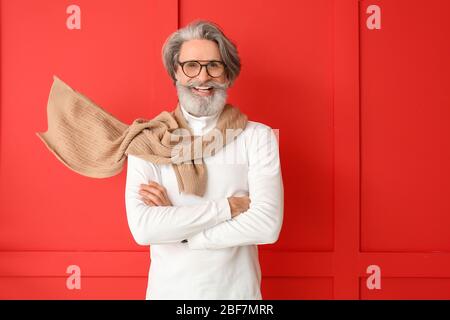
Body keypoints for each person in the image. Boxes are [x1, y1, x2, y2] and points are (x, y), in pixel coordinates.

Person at [124, 19, 284, 300]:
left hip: (238, 297)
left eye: (214, 65)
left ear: (227, 74)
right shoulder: (149, 140)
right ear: (176, 72)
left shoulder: (258, 137)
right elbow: (144, 229)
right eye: (191, 66)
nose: (202, 77)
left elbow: (267, 225)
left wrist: (182, 231)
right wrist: (227, 208)